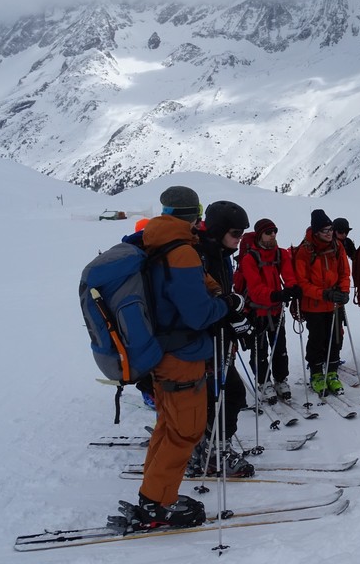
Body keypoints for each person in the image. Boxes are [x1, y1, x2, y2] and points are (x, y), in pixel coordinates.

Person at [133, 186, 236, 528]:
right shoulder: (181, 253)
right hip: (182, 354)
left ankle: (153, 495)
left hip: (161, 353)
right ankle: (157, 505)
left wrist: (215, 293)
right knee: (185, 432)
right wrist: (227, 305)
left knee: (167, 427)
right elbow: (198, 314)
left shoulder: (156, 242)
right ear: (194, 213)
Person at [192, 200, 255, 478]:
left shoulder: (220, 253)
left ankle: (209, 444)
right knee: (224, 395)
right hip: (203, 340)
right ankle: (214, 451)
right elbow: (201, 303)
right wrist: (230, 309)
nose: (239, 239)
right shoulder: (199, 255)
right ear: (217, 231)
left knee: (225, 394)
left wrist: (236, 317)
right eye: (235, 233)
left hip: (218, 335)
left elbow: (223, 297)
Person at [236, 218, 300, 402]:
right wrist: (277, 295)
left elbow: (288, 275)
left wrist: (293, 287)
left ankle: (280, 379)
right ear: (259, 235)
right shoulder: (250, 258)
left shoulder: (280, 254)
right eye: (268, 232)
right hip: (257, 311)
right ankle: (263, 382)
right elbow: (255, 289)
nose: (273, 234)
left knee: (280, 347)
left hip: (276, 310)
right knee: (260, 349)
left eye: (275, 230)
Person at [294, 209, 351, 395]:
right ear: (316, 231)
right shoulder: (305, 250)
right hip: (314, 305)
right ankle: (317, 373)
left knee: (336, 338)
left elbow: (344, 272)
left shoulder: (337, 246)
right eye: (325, 230)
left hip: (334, 303)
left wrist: (343, 291)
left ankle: (332, 373)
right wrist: (324, 294)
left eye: (331, 229)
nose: (329, 233)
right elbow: (302, 283)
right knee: (317, 339)